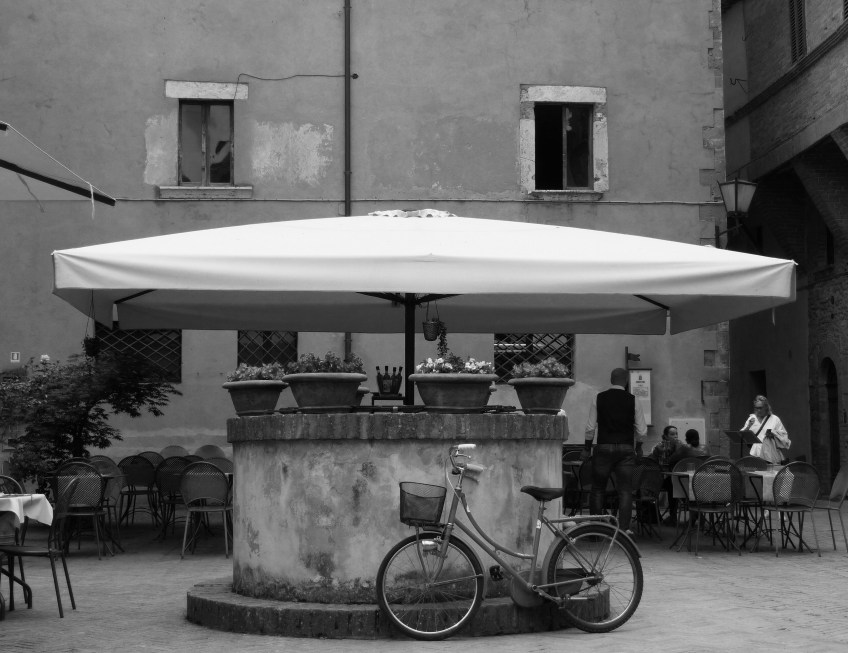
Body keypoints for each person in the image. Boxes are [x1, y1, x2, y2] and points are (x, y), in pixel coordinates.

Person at [583, 367, 648, 535]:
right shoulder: (633, 400)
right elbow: (642, 430)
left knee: (598, 489)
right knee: (625, 491)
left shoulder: (598, 398)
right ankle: (623, 530)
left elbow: (590, 427)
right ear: (626, 381)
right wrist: (638, 447)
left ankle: (595, 530)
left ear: (611, 380)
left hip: (603, 446)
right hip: (626, 448)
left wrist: (587, 448)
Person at [741, 395, 790, 464]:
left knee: (770, 471)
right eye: (756, 408)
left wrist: (774, 434)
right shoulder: (751, 418)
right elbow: (741, 435)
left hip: (770, 454)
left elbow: (784, 436)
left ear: (766, 407)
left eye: (760, 408)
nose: (758, 410)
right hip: (756, 454)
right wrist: (748, 426)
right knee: (756, 471)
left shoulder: (774, 419)